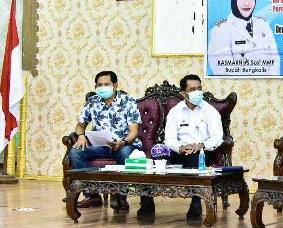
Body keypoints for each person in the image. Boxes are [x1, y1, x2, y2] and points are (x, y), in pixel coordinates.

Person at [137, 74, 223, 219]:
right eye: (192, 89)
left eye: (199, 88)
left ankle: (196, 203)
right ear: (184, 93)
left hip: (202, 151)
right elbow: (169, 139)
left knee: (195, 158)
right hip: (179, 150)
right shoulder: (175, 111)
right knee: (156, 158)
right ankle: (147, 203)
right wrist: (180, 148)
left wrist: (200, 145)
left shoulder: (210, 111)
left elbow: (217, 137)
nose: (197, 92)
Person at [68, 71, 141, 210]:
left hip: (124, 144)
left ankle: (119, 194)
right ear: (95, 87)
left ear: (115, 85)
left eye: (106, 84)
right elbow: (80, 125)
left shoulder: (128, 101)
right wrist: (81, 136)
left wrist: (123, 142)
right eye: (99, 85)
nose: (103, 88)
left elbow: (134, 131)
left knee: (125, 153)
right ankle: (92, 194)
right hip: (101, 146)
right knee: (75, 152)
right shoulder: (92, 101)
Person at [208, 0, 280, 76]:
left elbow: (275, 62)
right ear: (233, 0)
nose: (246, 3)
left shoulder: (263, 25)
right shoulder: (220, 30)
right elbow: (222, 72)